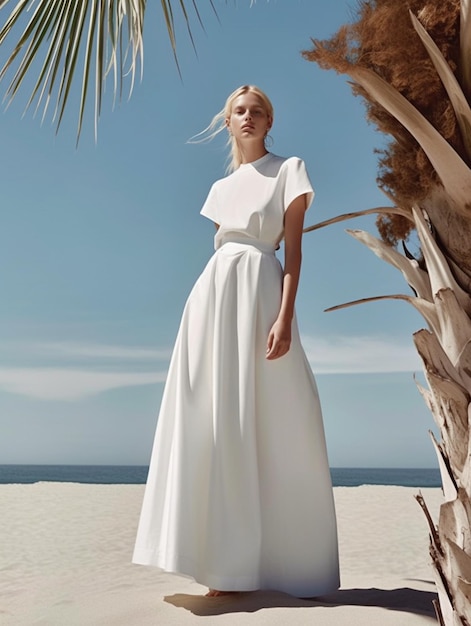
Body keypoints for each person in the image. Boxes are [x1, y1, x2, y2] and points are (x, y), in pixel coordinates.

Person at [132, 85, 340, 598]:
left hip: (261, 295)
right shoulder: (221, 190)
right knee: (215, 417)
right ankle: (221, 570)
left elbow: (292, 255)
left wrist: (285, 317)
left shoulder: (290, 169)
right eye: (238, 112)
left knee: (273, 417)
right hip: (212, 300)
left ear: (270, 121)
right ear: (228, 124)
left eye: (257, 111)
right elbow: (224, 252)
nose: (247, 118)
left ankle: (276, 565)